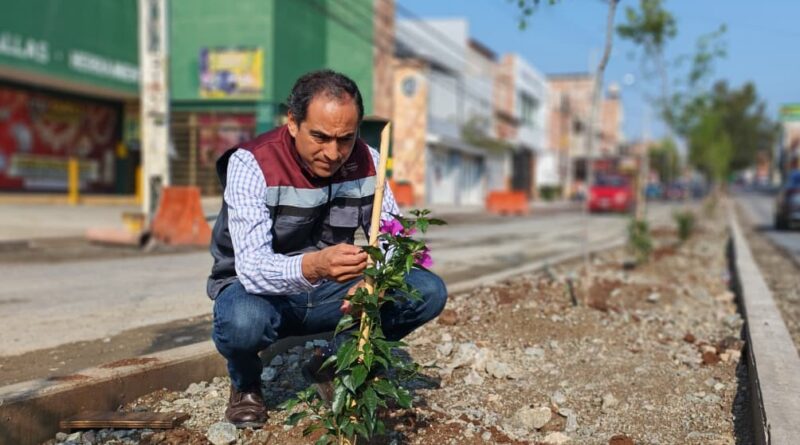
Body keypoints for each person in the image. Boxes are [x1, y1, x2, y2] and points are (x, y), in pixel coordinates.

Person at [206, 70, 448, 428]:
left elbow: (391, 238)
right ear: (293, 123)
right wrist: (315, 266)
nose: (333, 153)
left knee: (426, 291)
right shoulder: (251, 163)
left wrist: (374, 282)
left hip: (331, 291)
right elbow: (252, 268)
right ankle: (246, 384)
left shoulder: (369, 161)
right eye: (320, 137)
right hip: (261, 293)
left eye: (345, 139)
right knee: (243, 322)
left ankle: (333, 361)